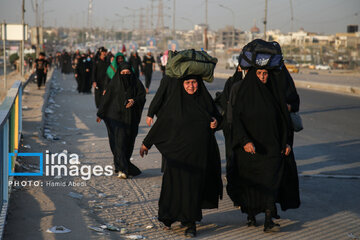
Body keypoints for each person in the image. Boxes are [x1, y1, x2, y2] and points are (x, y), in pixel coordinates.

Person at [139, 75, 223, 238]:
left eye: (194, 83)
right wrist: (146, 143)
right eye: (187, 83)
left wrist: (216, 122)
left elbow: (217, 116)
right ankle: (173, 215)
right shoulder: (175, 103)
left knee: (192, 188)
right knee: (175, 186)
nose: (191, 86)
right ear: (181, 84)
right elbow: (162, 123)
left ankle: (191, 223)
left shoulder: (204, 100)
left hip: (199, 154)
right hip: (177, 156)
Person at [227, 67, 299, 233]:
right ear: (253, 75)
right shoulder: (245, 94)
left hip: (272, 149)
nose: (262, 77)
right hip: (250, 150)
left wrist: (287, 142)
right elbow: (236, 120)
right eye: (259, 73)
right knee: (251, 185)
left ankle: (268, 220)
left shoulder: (275, 93)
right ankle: (251, 214)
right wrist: (244, 141)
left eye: (265, 73)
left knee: (271, 183)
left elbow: (285, 121)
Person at [97, 62, 146, 178]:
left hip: (130, 119)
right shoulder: (114, 84)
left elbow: (142, 96)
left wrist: (134, 101)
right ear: (119, 74)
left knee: (128, 142)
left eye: (128, 73)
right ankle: (123, 169)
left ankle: (121, 165)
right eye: (123, 73)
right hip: (115, 118)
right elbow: (106, 99)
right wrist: (100, 114)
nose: (125, 75)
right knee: (119, 142)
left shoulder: (136, 83)